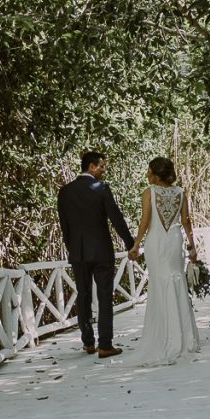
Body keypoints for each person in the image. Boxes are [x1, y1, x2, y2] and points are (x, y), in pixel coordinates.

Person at [57, 151, 135, 359]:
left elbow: (64, 226)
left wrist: (72, 247)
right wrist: (130, 243)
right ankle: (105, 345)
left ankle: (88, 342)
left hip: (78, 252)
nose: (103, 170)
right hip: (101, 251)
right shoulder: (101, 189)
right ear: (91, 167)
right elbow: (116, 218)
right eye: (101, 167)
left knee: (82, 296)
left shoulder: (65, 191)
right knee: (104, 297)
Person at [125, 157, 199, 366]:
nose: (147, 173)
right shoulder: (181, 192)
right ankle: (183, 338)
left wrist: (136, 244)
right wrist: (192, 246)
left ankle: (164, 336)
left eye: (149, 170)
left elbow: (145, 221)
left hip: (156, 242)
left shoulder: (149, 192)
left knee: (160, 284)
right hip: (174, 242)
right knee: (176, 281)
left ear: (155, 174)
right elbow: (186, 221)